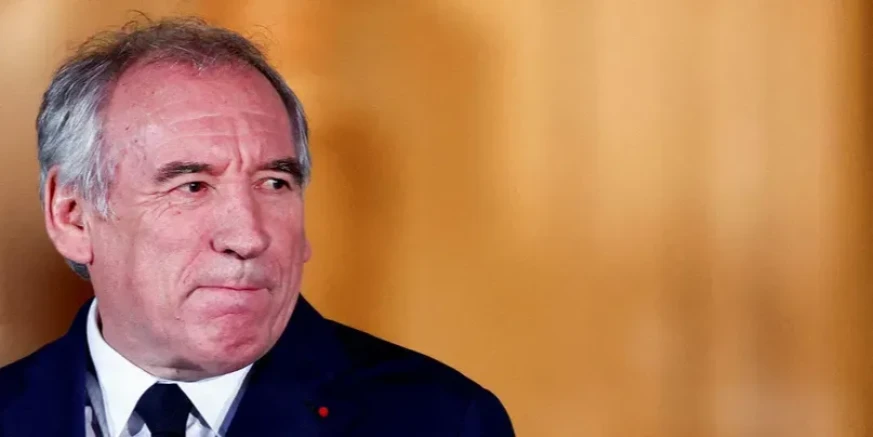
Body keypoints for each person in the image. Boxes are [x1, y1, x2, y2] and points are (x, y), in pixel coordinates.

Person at [0, 18, 514, 436]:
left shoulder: (441, 421)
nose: (248, 237)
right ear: (71, 216)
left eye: (274, 183)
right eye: (192, 186)